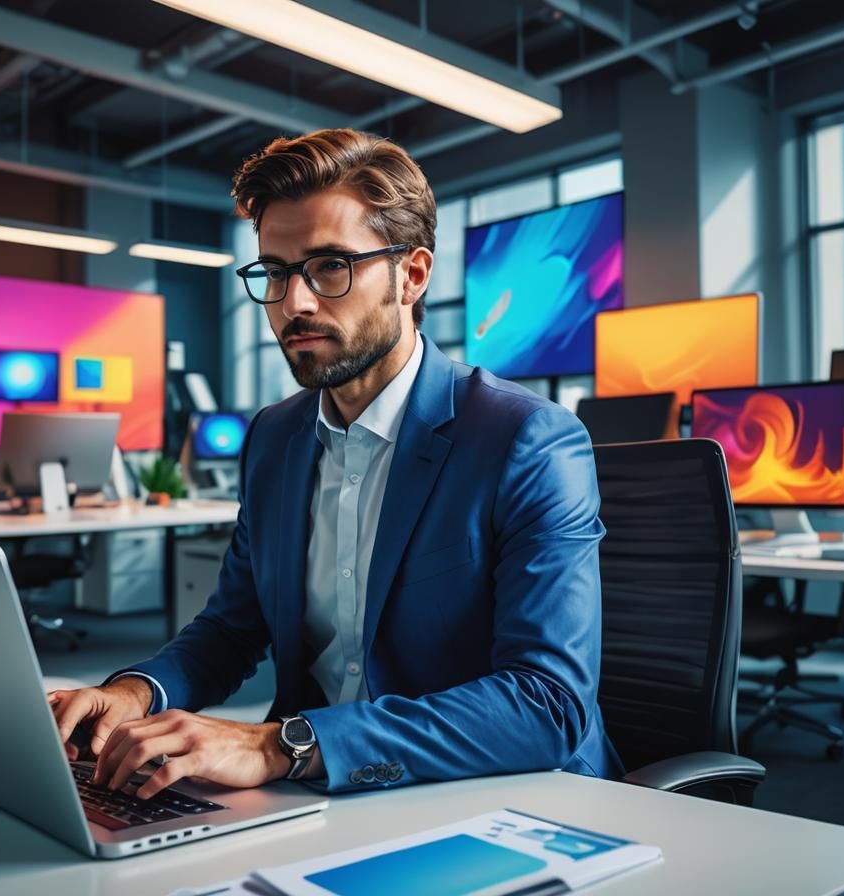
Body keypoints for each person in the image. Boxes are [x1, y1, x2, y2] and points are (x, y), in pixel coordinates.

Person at [51, 128, 619, 797]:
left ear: (410, 276)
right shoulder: (276, 438)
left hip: (494, 796)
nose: (294, 303)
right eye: (276, 272)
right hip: (320, 796)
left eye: (329, 267)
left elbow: (546, 705)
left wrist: (285, 743)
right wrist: (136, 692)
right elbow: (232, 628)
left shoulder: (526, 439)